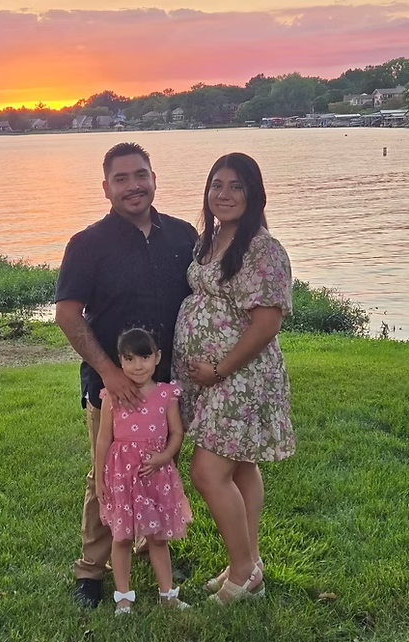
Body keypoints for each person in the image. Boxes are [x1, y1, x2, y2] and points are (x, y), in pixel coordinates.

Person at [55, 142, 197, 608]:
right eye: (121, 178)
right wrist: (107, 372)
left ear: (155, 178)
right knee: (107, 474)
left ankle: (148, 541)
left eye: (140, 175)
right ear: (105, 188)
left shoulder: (183, 236)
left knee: (158, 467)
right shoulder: (87, 244)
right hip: (111, 387)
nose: (133, 186)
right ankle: (91, 572)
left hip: (165, 388)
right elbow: (68, 315)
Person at [172, 152, 295, 605]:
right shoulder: (211, 240)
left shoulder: (263, 249)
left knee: (207, 472)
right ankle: (248, 560)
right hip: (210, 378)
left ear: (254, 193)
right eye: (216, 185)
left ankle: (244, 575)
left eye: (236, 186)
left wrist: (219, 369)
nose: (224, 195)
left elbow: (266, 324)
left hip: (240, 377)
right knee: (242, 465)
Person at [94, 328, 192, 615]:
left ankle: (168, 594)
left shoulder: (166, 394)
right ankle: (123, 597)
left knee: (158, 538)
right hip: (121, 477)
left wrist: (163, 457)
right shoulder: (112, 396)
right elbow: (103, 439)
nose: (138, 365)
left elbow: (176, 433)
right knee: (121, 537)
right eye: (130, 359)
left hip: (156, 477)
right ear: (120, 362)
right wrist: (99, 477)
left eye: (145, 357)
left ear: (158, 357)